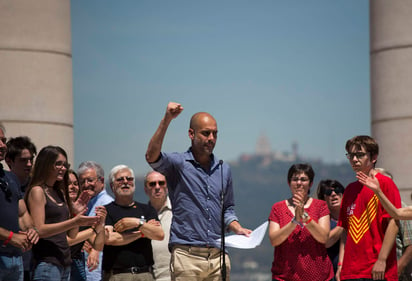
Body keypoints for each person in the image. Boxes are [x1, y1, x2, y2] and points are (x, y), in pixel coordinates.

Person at [146, 102, 251, 281]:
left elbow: (228, 209)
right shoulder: (178, 164)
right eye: (206, 133)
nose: (211, 138)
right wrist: (167, 120)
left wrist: (237, 227)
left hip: (218, 255)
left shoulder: (223, 169)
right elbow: (152, 156)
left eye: (215, 134)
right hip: (187, 256)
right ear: (191, 134)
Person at [25, 146, 100, 281]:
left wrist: (75, 215)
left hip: (64, 263)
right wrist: (74, 221)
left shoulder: (59, 193)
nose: (63, 168)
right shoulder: (37, 191)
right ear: (46, 165)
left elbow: (72, 234)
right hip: (47, 263)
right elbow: (39, 230)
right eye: (58, 164)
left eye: (64, 164)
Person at [336, 135, 401, 281]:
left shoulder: (385, 183)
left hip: (377, 270)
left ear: (373, 157)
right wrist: (341, 264)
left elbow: (394, 222)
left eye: (360, 155)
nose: (354, 159)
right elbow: (345, 230)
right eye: (351, 155)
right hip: (350, 271)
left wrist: (382, 259)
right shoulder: (349, 190)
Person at [268, 163, 333, 281]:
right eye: (295, 179)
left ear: (310, 184)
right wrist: (295, 221)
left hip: (318, 276)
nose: (299, 183)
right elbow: (274, 239)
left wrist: (305, 217)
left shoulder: (321, 206)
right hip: (284, 276)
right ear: (289, 183)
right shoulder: (278, 208)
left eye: (303, 179)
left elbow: (324, 237)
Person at [102, 164, 164, 281]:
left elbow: (159, 234)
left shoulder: (147, 209)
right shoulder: (106, 210)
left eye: (129, 179)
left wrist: (137, 223)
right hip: (117, 275)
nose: (125, 182)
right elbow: (110, 239)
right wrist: (142, 233)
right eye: (120, 179)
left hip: (145, 274)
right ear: (112, 185)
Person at [0, 124, 39, 281]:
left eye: (3, 140)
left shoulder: (10, 178)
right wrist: (10, 237)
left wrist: (31, 230)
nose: (3, 145)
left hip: (16, 260)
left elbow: (22, 214)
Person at [359, 167, 412, 281]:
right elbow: (396, 213)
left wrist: (397, 269)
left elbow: (410, 245)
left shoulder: (401, 204)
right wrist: (378, 191)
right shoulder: (365, 208)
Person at [67, 169, 106, 281]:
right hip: (58, 263)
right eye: (68, 184)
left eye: (75, 184)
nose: (73, 187)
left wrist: (101, 223)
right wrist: (93, 231)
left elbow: (98, 244)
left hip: (77, 264)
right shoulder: (59, 209)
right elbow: (68, 240)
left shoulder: (83, 210)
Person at [78, 161, 114, 280]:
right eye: (82, 181)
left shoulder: (106, 204)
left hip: (98, 271)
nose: (86, 184)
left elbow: (107, 237)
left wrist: (84, 237)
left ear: (101, 181)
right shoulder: (86, 203)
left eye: (90, 180)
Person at [144, 171, 172, 281]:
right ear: (146, 189)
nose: (157, 187)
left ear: (167, 187)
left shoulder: (179, 212)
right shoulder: (141, 215)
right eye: (152, 184)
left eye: (161, 183)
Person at [317, 179, 345, 280]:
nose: (333, 194)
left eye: (337, 191)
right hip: (329, 274)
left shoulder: (356, 216)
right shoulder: (321, 221)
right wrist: (343, 224)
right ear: (323, 199)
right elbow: (326, 241)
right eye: (328, 192)